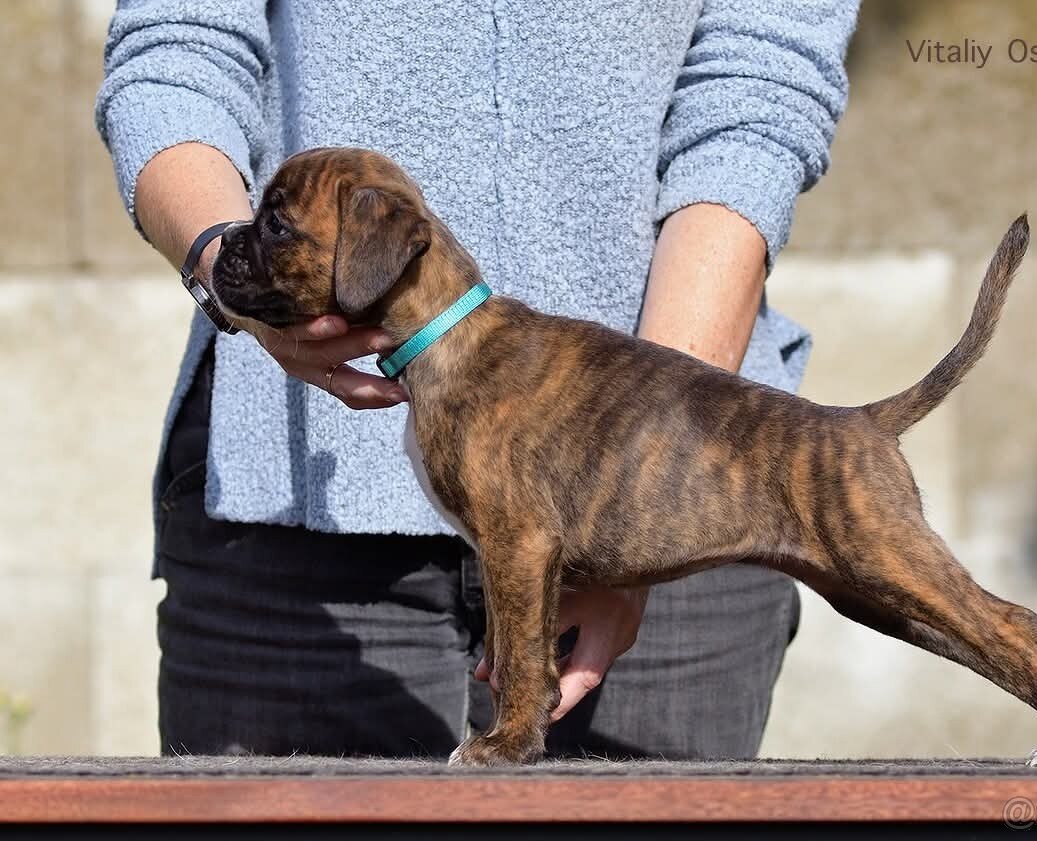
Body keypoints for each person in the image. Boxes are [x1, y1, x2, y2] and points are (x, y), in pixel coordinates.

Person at [96, 0, 857, 759]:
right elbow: (176, 45)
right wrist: (222, 261)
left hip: (669, 482)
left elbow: (758, 92)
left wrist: (638, 506)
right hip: (288, 507)